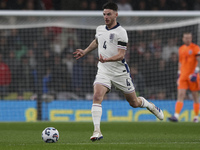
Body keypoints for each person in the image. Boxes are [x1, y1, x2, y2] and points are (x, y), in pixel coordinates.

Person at [73, 2, 164, 142]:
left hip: (120, 72)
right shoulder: (100, 29)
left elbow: (121, 55)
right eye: (104, 14)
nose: (106, 17)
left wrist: (107, 59)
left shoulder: (121, 32)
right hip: (103, 70)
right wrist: (85, 51)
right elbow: (97, 41)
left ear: (116, 14)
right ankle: (97, 131)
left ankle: (149, 105)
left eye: (109, 14)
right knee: (97, 95)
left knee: (133, 102)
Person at [168, 32, 200, 123]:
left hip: (193, 76)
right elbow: (180, 63)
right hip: (183, 76)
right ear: (183, 38)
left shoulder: (196, 48)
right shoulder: (181, 49)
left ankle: (196, 117)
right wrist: (179, 75)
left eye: (189, 38)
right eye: (186, 38)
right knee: (180, 95)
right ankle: (176, 116)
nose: (188, 39)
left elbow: (199, 60)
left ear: (191, 38)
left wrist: (196, 72)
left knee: (195, 96)